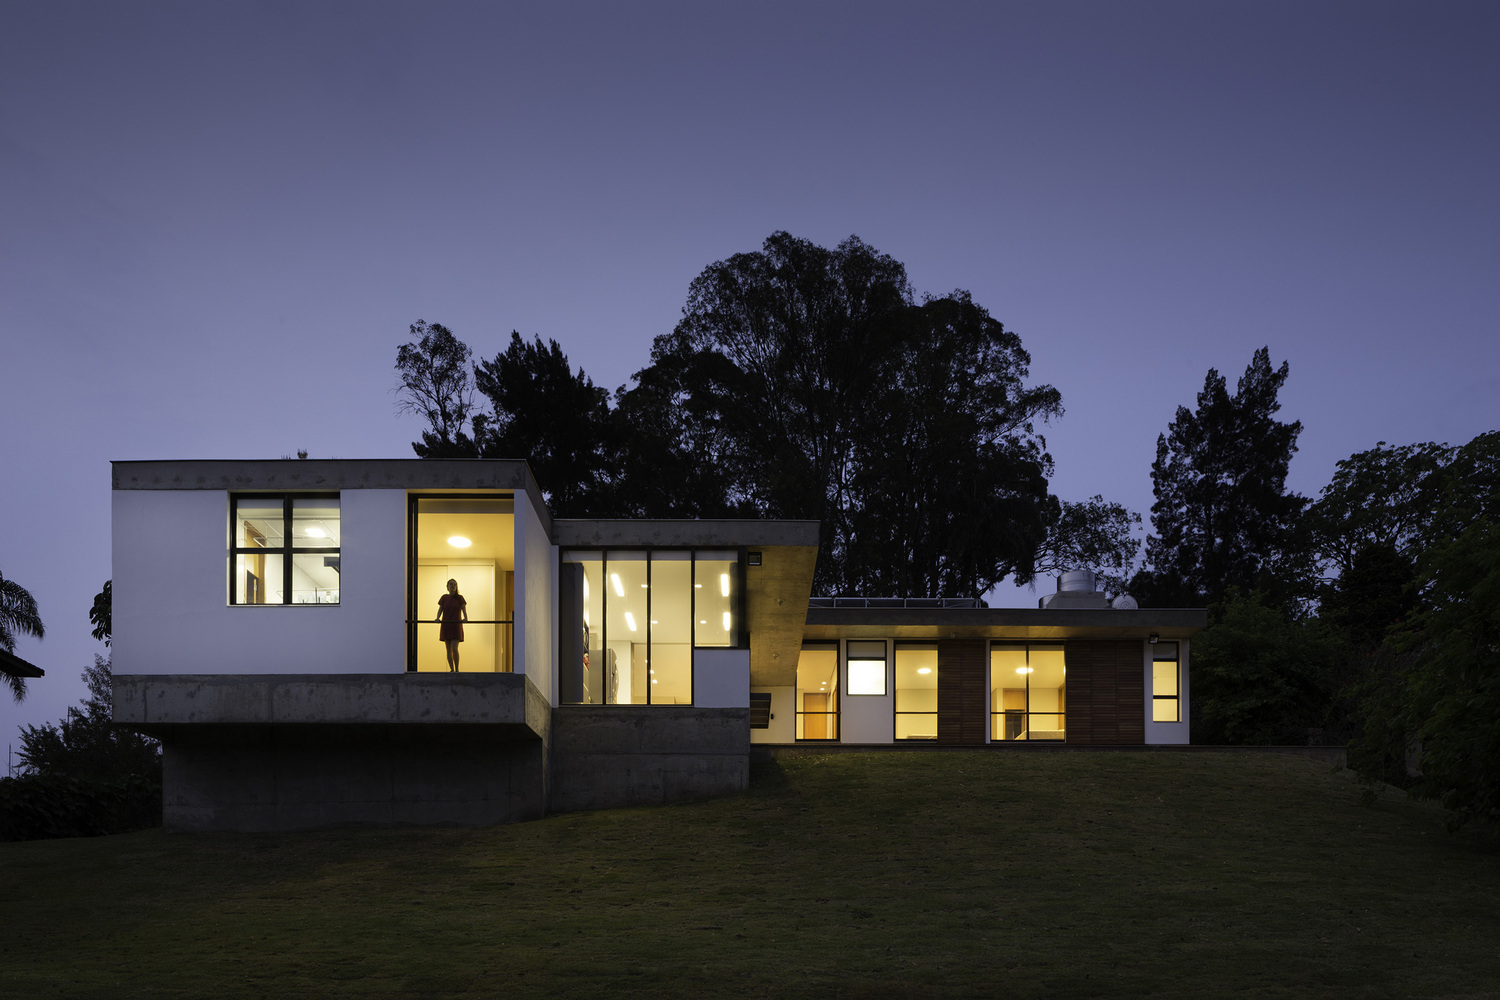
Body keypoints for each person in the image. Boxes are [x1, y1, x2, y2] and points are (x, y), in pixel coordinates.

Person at [435, 578, 468, 672]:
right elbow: (440, 609)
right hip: (446, 625)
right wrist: (437, 618)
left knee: (454, 647)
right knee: (448, 648)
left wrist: (466, 618)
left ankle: (457, 669)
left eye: (454, 584)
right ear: (447, 587)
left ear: (456, 586)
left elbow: (464, 609)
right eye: (450, 584)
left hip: (456, 625)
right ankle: (452, 669)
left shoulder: (460, 598)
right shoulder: (444, 598)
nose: (452, 586)